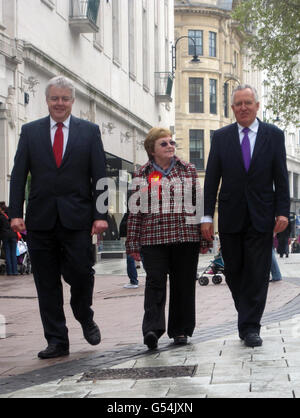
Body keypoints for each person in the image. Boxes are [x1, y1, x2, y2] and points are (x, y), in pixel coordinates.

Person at [9, 75, 108, 359]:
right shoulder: (30, 132)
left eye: (65, 99)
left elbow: (99, 176)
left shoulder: (89, 132)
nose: (60, 103)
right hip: (40, 220)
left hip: (77, 219)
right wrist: (16, 213)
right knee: (46, 282)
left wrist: (100, 214)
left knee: (81, 273)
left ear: (72, 101)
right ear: (47, 100)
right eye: (55, 98)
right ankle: (56, 340)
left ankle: (84, 314)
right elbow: (18, 176)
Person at [201, 84, 290, 348]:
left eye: (248, 103)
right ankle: (246, 313)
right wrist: (206, 215)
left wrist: (283, 211)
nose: (243, 108)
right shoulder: (221, 137)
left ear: (257, 106)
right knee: (235, 272)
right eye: (238, 104)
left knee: (258, 272)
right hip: (231, 215)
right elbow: (211, 179)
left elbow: (281, 177)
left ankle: (251, 326)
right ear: (232, 109)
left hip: (262, 215)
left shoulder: (273, 135)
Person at [126, 127, 210, 350]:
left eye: (172, 142)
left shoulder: (187, 170)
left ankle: (180, 330)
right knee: (154, 282)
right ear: (152, 150)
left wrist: (205, 238)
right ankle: (152, 329)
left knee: (183, 284)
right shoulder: (141, 175)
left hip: (185, 237)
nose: (170, 146)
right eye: (164, 143)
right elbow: (135, 212)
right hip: (153, 238)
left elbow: (199, 204)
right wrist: (133, 243)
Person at [119, 211, 139, 289]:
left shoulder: (132, 209)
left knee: (130, 256)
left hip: (132, 234)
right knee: (143, 256)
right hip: (137, 233)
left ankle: (133, 281)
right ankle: (155, 276)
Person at [0, 206, 18, 276]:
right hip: (13, 235)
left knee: (7, 253)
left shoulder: (1, 217)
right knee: (13, 254)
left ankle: (10, 272)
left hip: (5, 236)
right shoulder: (10, 217)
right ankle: (15, 271)